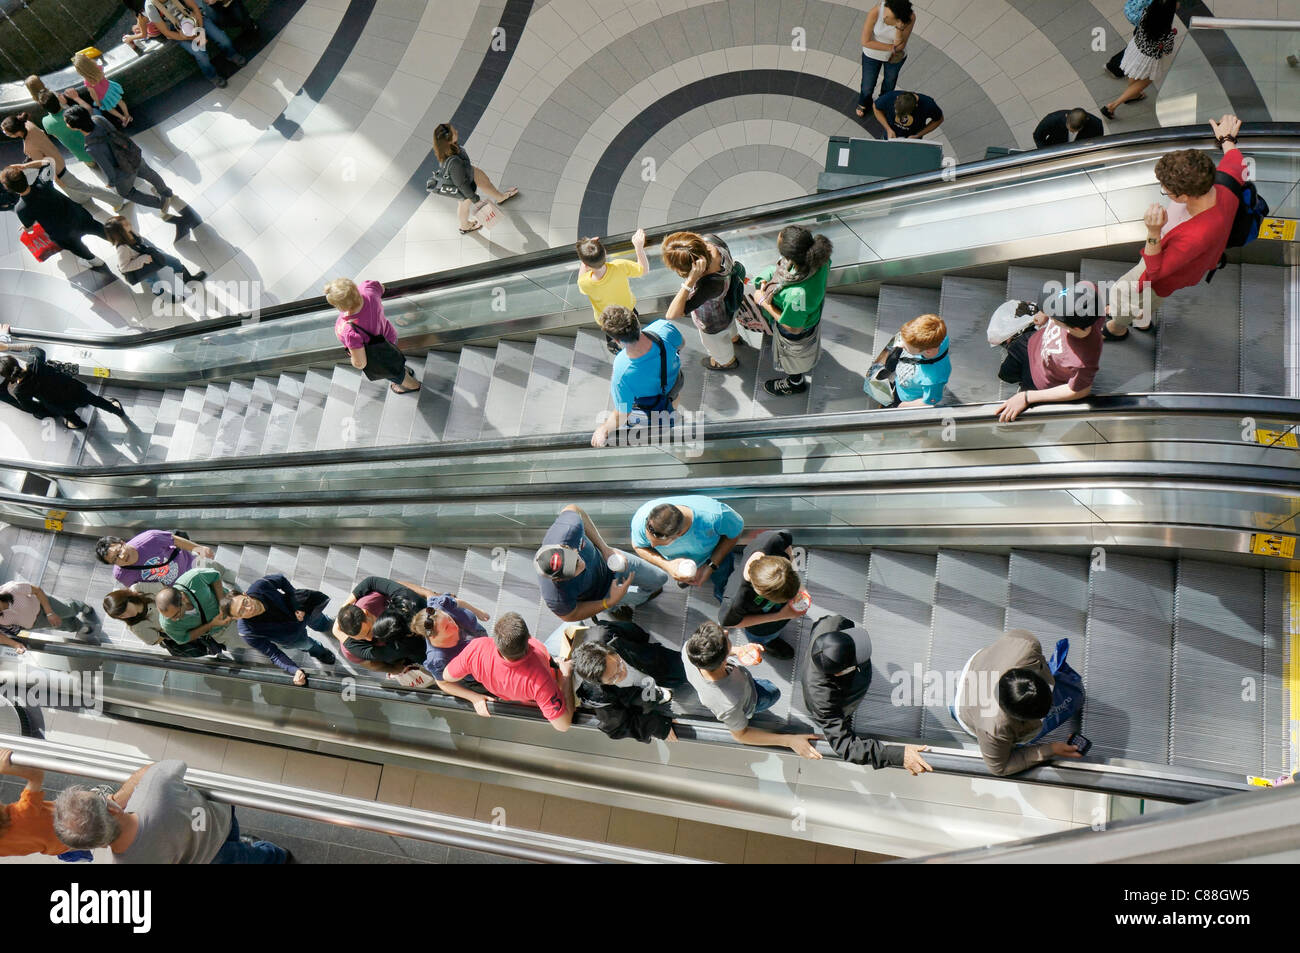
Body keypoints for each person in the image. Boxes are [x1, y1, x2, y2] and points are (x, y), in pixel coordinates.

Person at [1103, 115, 1245, 340]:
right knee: (1148, 298)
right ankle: (1142, 316)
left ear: (1185, 196)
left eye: (1166, 190)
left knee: (1122, 291)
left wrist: (1153, 232)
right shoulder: (1221, 181)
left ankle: (1117, 327)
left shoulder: (1197, 235)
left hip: (1164, 270)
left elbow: (1155, 272)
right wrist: (1227, 139)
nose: (1164, 191)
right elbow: (1236, 162)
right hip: (1184, 264)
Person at [53, 759, 288, 863]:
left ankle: (269, 855)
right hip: (220, 822)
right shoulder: (155, 786)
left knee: (250, 858)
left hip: (208, 859)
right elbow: (161, 767)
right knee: (259, 854)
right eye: (100, 795)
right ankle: (277, 855)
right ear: (113, 810)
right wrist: (118, 796)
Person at [799, 615, 932, 774]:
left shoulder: (831, 624)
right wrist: (898, 755)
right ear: (841, 672)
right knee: (840, 720)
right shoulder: (823, 703)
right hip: (840, 700)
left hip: (848, 679)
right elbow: (846, 747)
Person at [953, 630, 1084, 776]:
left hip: (981, 664)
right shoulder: (993, 728)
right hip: (966, 704)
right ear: (1016, 718)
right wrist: (1050, 749)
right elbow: (999, 767)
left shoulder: (1027, 645)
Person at [682, 622, 820, 758]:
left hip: (739, 685)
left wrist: (738, 650)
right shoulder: (729, 705)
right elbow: (741, 735)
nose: (726, 632)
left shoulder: (690, 649)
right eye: (726, 640)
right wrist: (788, 741)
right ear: (723, 660)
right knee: (772, 692)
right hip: (750, 700)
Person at [64, 106, 197, 239]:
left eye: (67, 122)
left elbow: (108, 169)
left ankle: (160, 203)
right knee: (149, 173)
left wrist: (111, 183)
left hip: (124, 172)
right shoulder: (99, 118)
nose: (66, 124)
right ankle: (166, 192)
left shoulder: (91, 147)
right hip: (131, 154)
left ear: (75, 127)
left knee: (126, 192)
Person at [437, 613, 575, 731]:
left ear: (496, 641)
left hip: (523, 696)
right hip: (556, 676)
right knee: (574, 621)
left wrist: (474, 697)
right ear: (528, 638)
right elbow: (563, 725)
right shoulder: (540, 680)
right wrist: (566, 675)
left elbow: (445, 677)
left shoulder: (477, 649)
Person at [534, 504, 668, 623]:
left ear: (566, 546)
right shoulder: (555, 596)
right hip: (600, 594)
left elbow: (574, 509)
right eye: (573, 570)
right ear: (558, 579)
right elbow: (570, 615)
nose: (582, 566)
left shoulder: (568, 530)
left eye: (575, 559)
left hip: (609, 560)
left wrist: (605, 549)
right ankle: (615, 607)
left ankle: (637, 597)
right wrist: (608, 602)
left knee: (660, 578)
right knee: (627, 601)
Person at [995, 282, 1103, 422]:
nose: (1052, 316)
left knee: (1023, 413)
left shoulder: (1083, 360)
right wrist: (1045, 312)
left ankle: (1023, 391)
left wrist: (1027, 397)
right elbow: (1087, 284)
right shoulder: (1089, 297)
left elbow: (1079, 390)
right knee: (1006, 373)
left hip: (1039, 380)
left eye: (1054, 315)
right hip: (1031, 343)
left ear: (1074, 329)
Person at [569, 619, 688, 743]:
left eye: (619, 664)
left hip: (651, 662)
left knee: (683, 670)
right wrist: (659, 727)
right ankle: (656, 695)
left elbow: (633, 631)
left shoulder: (606, 634)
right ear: (601, 683)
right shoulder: (598, 696)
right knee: (647, 700)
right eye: (613, 677)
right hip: (637, 695)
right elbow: (618, 726)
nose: (623, 673)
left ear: (610, 649)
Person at [753, 225, 833, 397]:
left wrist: (763, 302)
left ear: (791, 257)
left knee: (793, 359)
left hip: (797, 331)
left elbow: (792, 327)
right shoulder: (821, 259)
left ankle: (795, 382)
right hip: (811, 315)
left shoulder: (796, 295)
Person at [590, 306, 684, 447]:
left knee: (659, 409)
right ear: (637, 322)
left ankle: (669, 420)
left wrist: (604, 428)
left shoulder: (622, 371)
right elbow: (681, 344)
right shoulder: (663, 328)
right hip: (675, 380)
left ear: (616, 340)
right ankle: (673, 413)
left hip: (650, 400)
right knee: (673, 397)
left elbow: (623, 412)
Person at [661, 231, 749, 371]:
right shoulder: (713, 242)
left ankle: (726, 362)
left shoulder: (708, 285)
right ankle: (734, 338)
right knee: (730, 327)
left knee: (718, 345)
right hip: (730, 303)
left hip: (713, 322)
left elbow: (672, 314)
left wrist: (690, 281)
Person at [630, 495, 743, 604]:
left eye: (661, 544)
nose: (653, 546)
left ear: (679, 534)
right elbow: (639, 546)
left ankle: (725, 599)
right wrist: (668, 566)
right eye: (650, 541)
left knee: (724, 581)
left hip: (715, 558)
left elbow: (734, 534)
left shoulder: (717, 516)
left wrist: (711, 566)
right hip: (681, 564)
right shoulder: (641, 520)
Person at [224, 575, 336, 683]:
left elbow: (281, 579)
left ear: (245, 595)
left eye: (245, 602)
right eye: (241, 611)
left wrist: (297, 603)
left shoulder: (260, 586)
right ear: (236, 618)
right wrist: (294, 669)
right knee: (309, 645)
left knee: (321, 622)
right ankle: (321, 652)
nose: (249, 608)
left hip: (302, 612)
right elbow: (274, 654)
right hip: (293, 637)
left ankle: (328, 626)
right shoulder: (247, 632)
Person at [0, 161, 108, 269]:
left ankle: (95, 261)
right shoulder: (43, 182)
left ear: (9, 189)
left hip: (63, 233)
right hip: (78, 216)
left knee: (77, 248)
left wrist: (25, 226)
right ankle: (119, 239)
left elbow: (29, 228)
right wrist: (25, 166)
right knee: (98, 229)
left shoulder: (21, 209)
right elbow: (48, 162)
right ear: (24, 176)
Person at [0, 114, 121, 208]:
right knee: (76, 188)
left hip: (57, 170)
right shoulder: (28, 124)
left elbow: (45, 163)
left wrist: (55, 178)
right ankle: (83, 200)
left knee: (84, 187)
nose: (5, 133)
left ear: (16, 132)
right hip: (57, 157)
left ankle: (116, 201)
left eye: (7, 132)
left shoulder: (29, 146)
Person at [717, 528, 803, 659]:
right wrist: (779, 616)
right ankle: (767, 642)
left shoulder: (773, 540)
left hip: (775, 611)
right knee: (763, 636)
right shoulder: (735, 601)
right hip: (761, 625)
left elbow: (787, 548)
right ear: (760, 592)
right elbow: (734, 623)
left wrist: (800, 588)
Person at [325, 277, 420, 395]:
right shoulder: (368, 289)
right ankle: (401, 369)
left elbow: (360, 363)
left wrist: (353, 359)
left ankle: (412, 385)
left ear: (340, 307)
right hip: (389, 337)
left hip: (379, 354)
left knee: (393, 372)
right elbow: (382, 288)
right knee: (393, 357)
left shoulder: (351, 332)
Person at [0, 348, 128, 431]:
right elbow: (37, 350)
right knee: (95, 400)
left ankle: (78, 424)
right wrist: (7, 347)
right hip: (74, 390)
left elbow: (30, 408)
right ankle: (116, 410)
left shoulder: (19, 391)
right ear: (16, 362)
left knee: (69, 415)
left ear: (6, 376)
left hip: (58, 404)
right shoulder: (35, 363)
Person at [431, 122, 517, 234]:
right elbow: (461, 184)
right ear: (448, 141)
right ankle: (464, 226)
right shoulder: (454, 163)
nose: (456, 131)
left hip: (468, 172)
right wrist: (476, 200)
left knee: (486, 182)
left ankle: (500, 197)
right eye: (454, 132)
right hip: (465, 187)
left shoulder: (449, 147)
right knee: (464, 205)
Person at [332, 574, 430, 673]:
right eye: (362, 638)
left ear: (366, 613)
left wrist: (336, 631)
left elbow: (364, 654)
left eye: (368, 632)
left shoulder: (397, 649)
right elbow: (378, 582)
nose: (369, 638)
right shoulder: (412, 603)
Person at [0, 749, 83, 860]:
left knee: (88, 841)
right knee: (99, 817)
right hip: (76, 821)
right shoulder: (24, 812)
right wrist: (7, 769)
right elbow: (36, 776)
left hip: (58, 846)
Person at [1101, 0, 1178, 119]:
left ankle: (1133, 95)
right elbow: (1168, 50)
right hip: (1148, 58)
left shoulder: (1145, 13)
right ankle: (1113, 105)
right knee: (1147, 79)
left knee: (1135, 73)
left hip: (1135, 48)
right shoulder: (1167, 33)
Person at [576, 229, 649, 356]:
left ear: (586, 264)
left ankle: (617, 345)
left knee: (613, 332)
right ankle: (637, 343)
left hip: (606, 319)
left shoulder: (585, 282)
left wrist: (585, 261)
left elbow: (581, 279)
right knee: (631, 328)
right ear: (605, 252)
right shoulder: (619, 266)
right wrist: (638, 247)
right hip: (628, 310)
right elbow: (643, 270)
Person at [144, 0, 247, 88]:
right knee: (200, 54)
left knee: (223, 39)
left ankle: (231, 54)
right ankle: (211, 75)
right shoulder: (151, 6)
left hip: (193, 18)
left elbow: (194, 7)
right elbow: (167, 32)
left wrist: (200, 30)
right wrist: (191, 37)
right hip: (178, 30)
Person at [96, 529, 230, 594]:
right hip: (180, 587)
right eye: (115, 560)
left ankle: (229, 578)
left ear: (122, 542)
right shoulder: (121, 574)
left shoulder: (150, 538)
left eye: (119, 552)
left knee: (214, 570)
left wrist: (198, 548)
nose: (121, 558)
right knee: (210, 594)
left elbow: (174, 540)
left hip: (190, 564)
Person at [103, 588, 226, 658]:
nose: (126, 615)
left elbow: (164, 589)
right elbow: (156, 640)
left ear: (127, 599)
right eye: (121, 616)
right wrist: (169, 628)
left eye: (124, 610)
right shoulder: (137, 627)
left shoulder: (141, 588)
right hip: (182, 632)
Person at [400, 593, 490, 687]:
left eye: (450, 619)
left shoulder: (439, 606)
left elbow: (457, 602)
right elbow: (443, 683)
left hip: (482, 638)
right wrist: (475, 698)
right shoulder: (438, 659)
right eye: (447, 628)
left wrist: (478, 612)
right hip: (482, 670)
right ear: (434, 637)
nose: (454, 625)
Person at [105, 215, 206, 292]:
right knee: (154, 280)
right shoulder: (122, 248)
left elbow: (140, 241)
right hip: (142, 264)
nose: (129, 224)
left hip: (149, 255)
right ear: (119, 232)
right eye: (126, 225)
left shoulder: (130, 231)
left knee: (174, 262)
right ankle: (161, 293)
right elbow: (123, 267)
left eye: (128, 222)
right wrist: (142, 259)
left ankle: (187, 279)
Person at [856, 0, 916, 118]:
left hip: (895, 58)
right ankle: (864, 102)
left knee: (889, 83)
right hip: (871, 55)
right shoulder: (876, 11)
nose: (885, 16)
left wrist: (898, 29)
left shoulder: (910, 17)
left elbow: (901, 46)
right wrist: (891, 48)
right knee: (867, 85)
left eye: (889, 16)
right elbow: (865, 41)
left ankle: (883, 103)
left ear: (899, 17)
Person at [0, 580, 96, 649]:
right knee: (64, 625)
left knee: (68, 609)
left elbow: (37, 591)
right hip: (35, 623)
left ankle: (81, 606)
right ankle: (79, 626)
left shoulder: (12, 589)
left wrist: (49, 612)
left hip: (43, 605)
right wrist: (15, 644)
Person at [155, 566, 235, 646]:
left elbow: (215, 576)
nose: (174, 619)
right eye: (169, 617)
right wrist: (211, 624)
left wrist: (222, 602)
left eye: (176, 614)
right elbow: (183, 638)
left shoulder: (194, 578)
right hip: (222, 631)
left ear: (182, 598)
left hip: (232, 603)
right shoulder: (167, 624)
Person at [887, 313, 950, 408]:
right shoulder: (938, 337)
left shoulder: (933, 380)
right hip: (902, 384)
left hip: (907, 399)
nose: (900, 345)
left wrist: (904, 406)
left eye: (906, 347)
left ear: (928, 352)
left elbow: (930, 401)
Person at [35, 90, 97, 169]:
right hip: (98, 149)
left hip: (84, 157)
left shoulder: (45, 122)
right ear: (58, 100)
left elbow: (57, 137)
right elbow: (89, 111)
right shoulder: (73, 112)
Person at [71, 52, 132, 127]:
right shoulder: (99, 67)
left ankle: (123, 118)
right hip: (110, 88)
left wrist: (98, 102)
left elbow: (93, 94)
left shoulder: (88, 81)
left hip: (102, 96)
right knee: (120, 101)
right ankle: (127, 115)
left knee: (109, 108)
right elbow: (103, 77)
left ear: (81, 71)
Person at [872, 90, 944, 140]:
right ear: (897, 98)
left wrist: (918, 135)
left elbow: (939, 120)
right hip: (890, 133)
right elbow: (875, 107)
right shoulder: (890, 97)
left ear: (916, 106)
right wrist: (888, 129)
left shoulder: (928, 105)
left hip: (913, 139)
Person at [1032, 107, 1104, 148]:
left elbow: (1097, 143)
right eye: (1070, 129)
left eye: (1075, 131)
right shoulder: (1053, 119)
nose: (1072, 132)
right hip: (1055, 148)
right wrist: (1046, 153)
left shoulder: (1096, 125)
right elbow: (1038, 136)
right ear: (1066, 116)